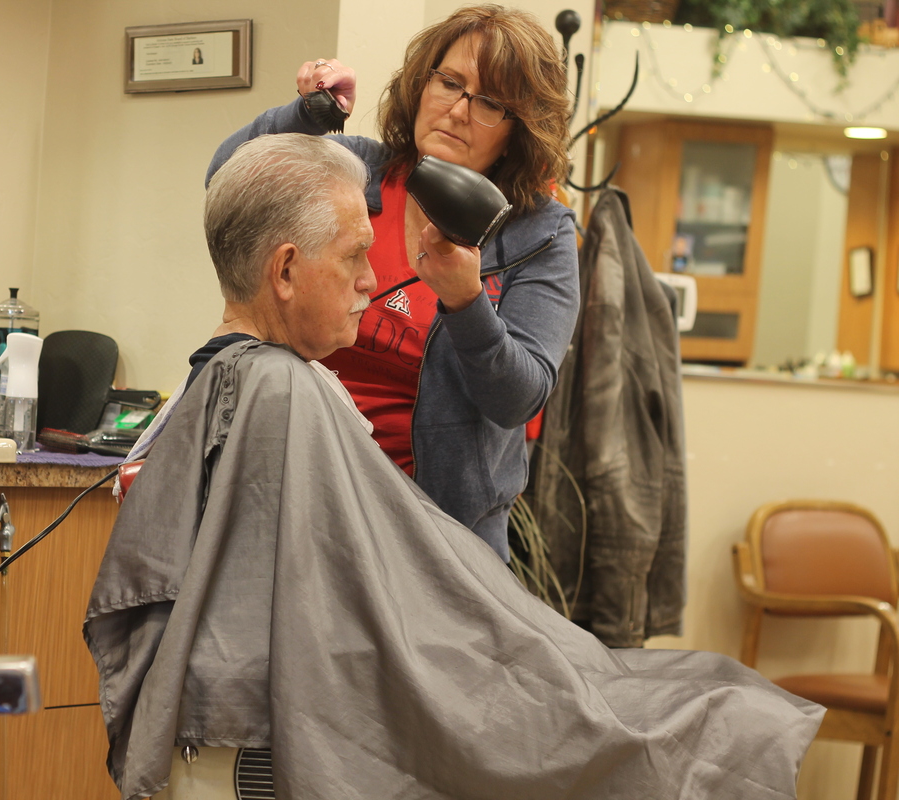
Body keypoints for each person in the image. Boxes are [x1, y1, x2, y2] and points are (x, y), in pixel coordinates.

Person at [84, 133, 822, 800]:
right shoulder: (277, 391)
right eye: (354, 256)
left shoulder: (232, 381)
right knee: (682, 715)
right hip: (249, 749)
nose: (372, 281)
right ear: (284, 271)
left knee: (642, 698)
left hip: (243, 726)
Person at [206, 5, 580, 563]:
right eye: (449, 82)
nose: (458, 110)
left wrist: (466, 301)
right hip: (302, 508)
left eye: (489, 103)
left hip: (442, 541)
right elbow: (228, 179)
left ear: (517, 130)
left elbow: (518, 399)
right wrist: (306, 115)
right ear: (422, 82)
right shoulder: (356, 172)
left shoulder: (539, 232)